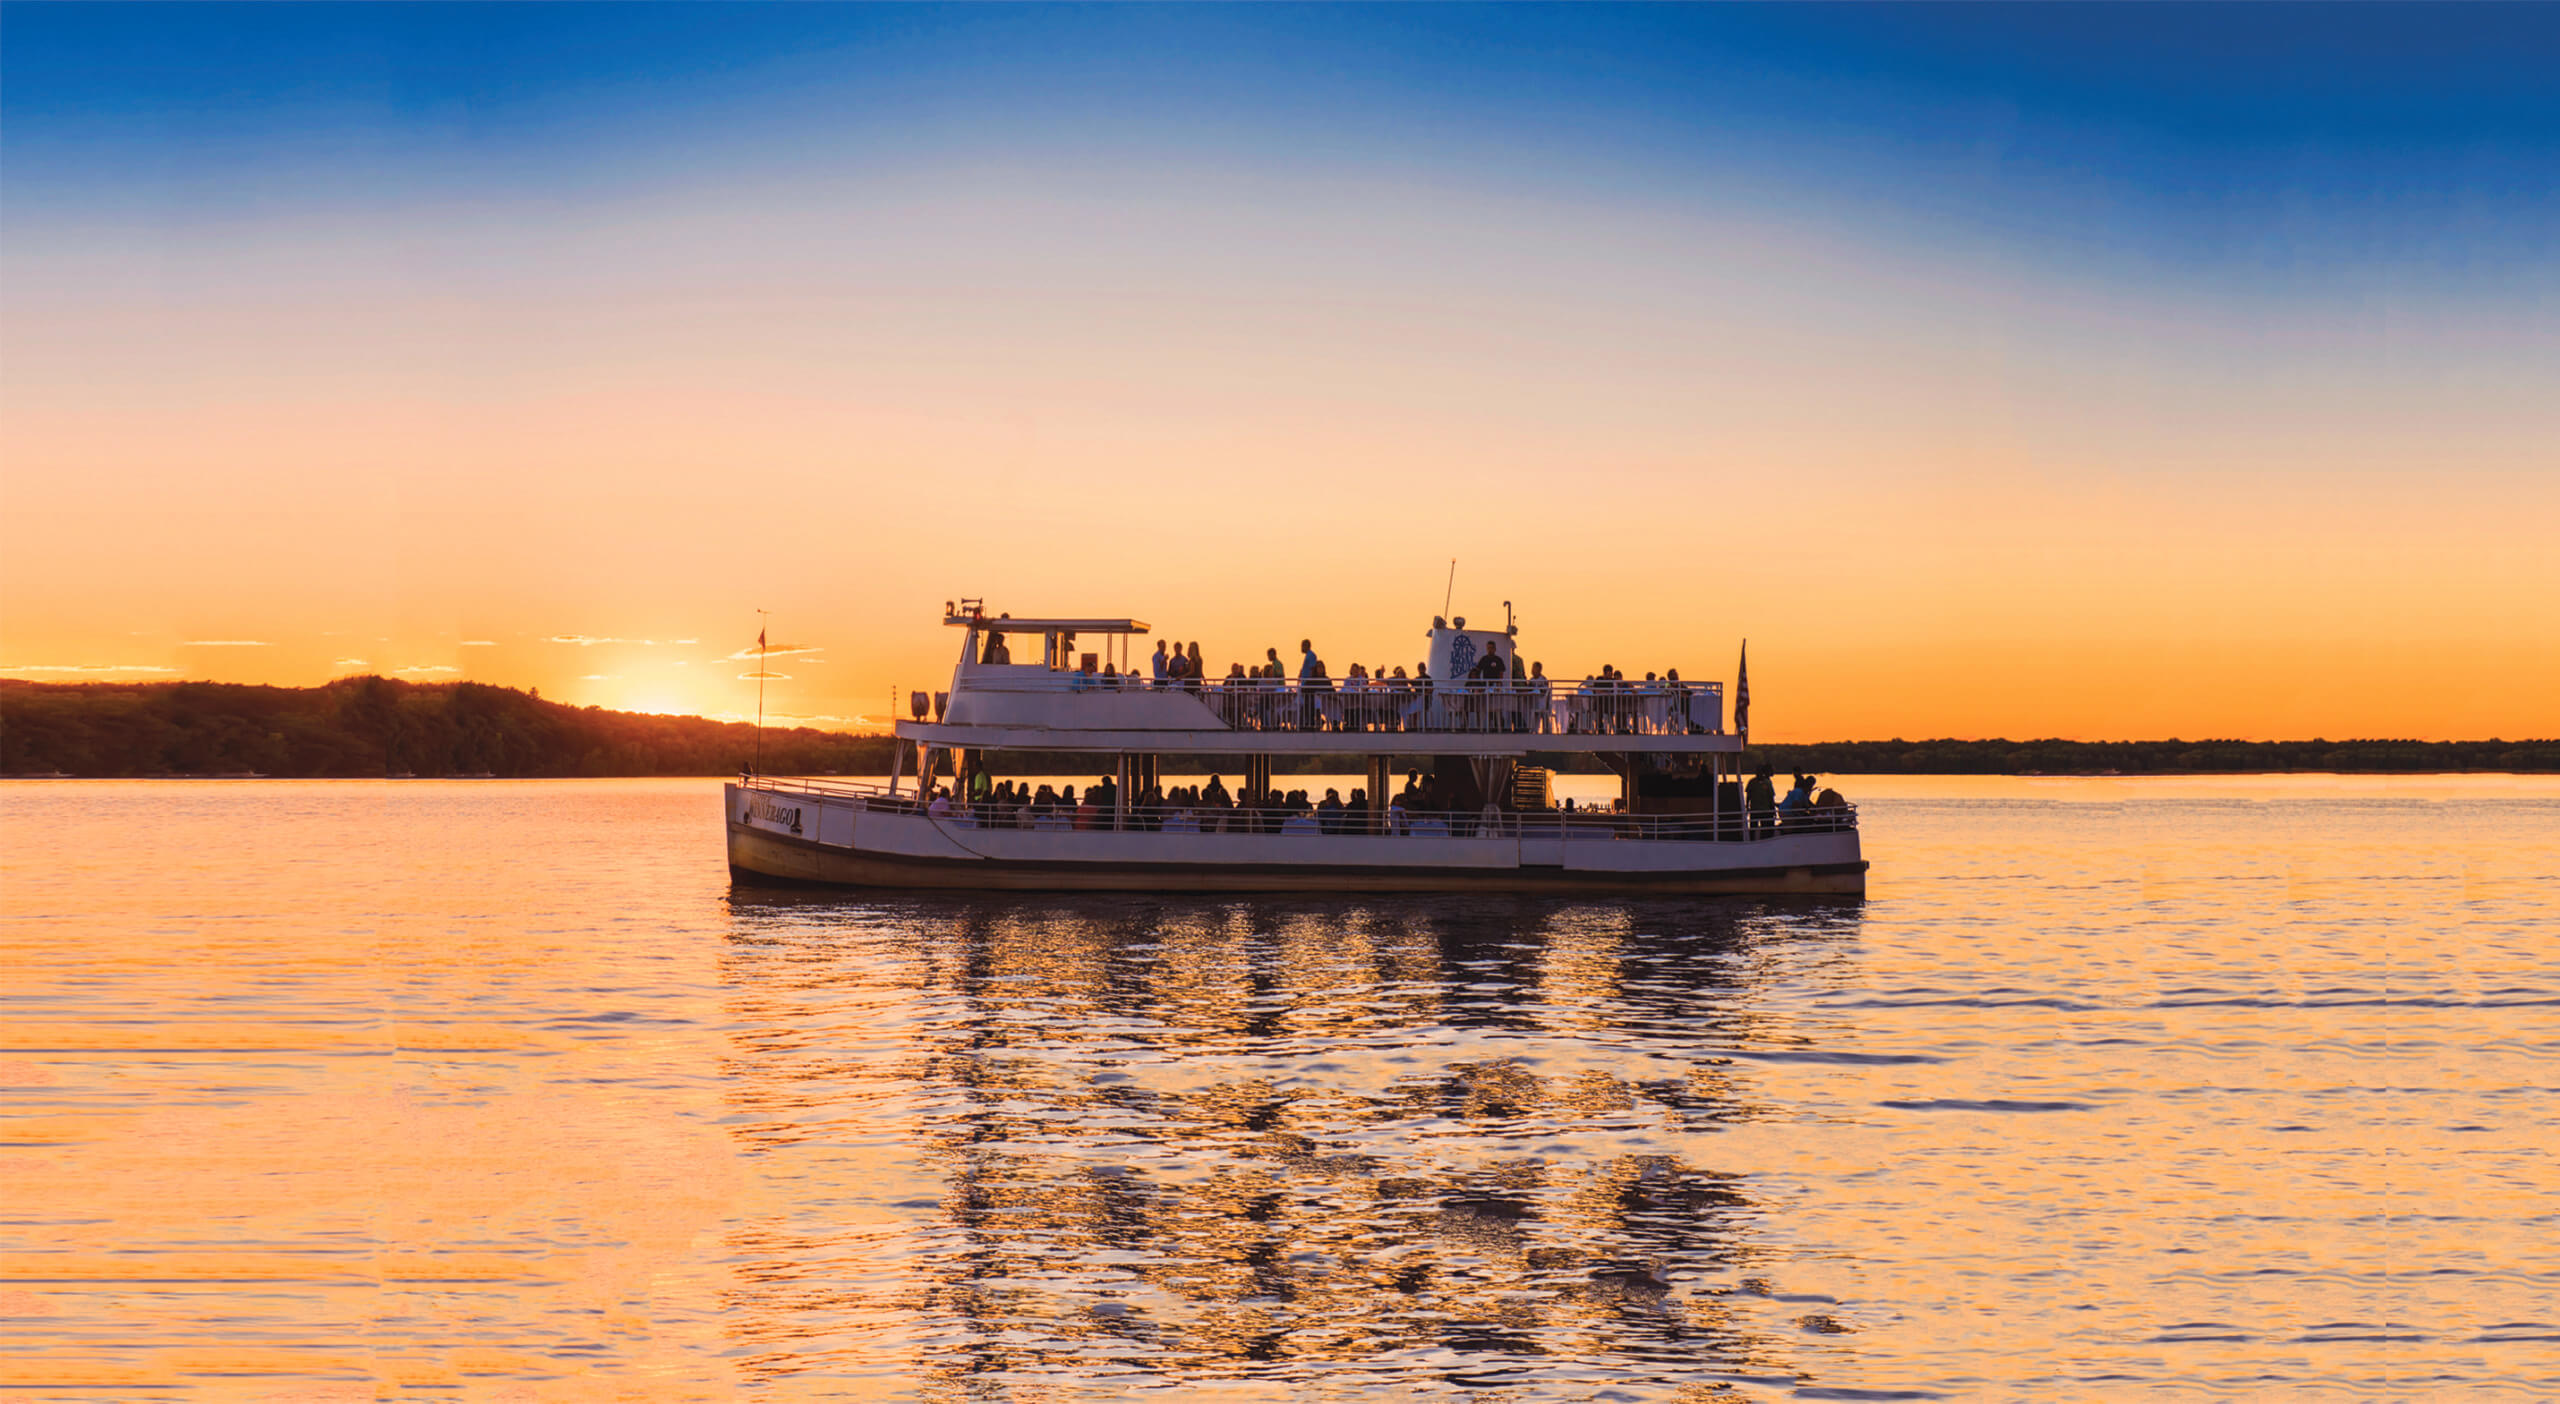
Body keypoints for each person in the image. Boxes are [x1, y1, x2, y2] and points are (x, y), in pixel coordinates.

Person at [1746, 764, 1776, 839]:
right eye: (1756, 772)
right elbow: (1748, 795)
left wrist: (1773, 809)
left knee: (1764, 828)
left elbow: (1771, 797)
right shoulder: (1752, 782)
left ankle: (1764, 841)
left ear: (1762, 772)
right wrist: (1747, 805)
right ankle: (1751, 841)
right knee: (1753, 827)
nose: (1758, 773)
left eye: (1759, 772)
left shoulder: (1767, 783)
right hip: (1754, 809)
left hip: (1765, 810)